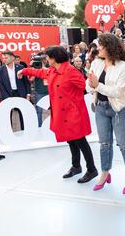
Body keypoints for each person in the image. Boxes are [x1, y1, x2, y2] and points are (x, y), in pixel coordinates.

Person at [17, 46, 98, 183]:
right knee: (70, 140)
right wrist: (24, 70)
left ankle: (92, 169)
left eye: (48, 57)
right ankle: (76, 166)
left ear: (54, 58)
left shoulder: (71, 71)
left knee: (80, 141)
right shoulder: (53, 70)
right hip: (62, 113)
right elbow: (40, 73)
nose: (46, 60)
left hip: (73, 113)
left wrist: (91, 83)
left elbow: (86, 86)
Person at [86, 34, 125, 194]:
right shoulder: (96, 63)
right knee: (104, 143)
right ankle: (105, 173)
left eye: (101, 45)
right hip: (100, 108)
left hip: (118, 110)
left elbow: (118, 91)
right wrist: (92, 85)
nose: (98, 48)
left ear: (110, 47)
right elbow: (88, 86)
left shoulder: (124, 67)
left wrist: (97, 85)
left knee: (124, 144)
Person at [0, 51, 31, 131]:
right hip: (8, 95)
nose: (4, 60)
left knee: (23, 113)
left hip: (21, 93)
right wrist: (6, 98)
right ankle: (10, 132)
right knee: (9, 114)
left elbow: (26, 82)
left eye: (6, 58)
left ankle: (25, 130)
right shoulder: (0, 70)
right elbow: (1, 86)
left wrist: (28, 94)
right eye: (3, 58)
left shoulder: (21, 67)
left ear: (12, 58)